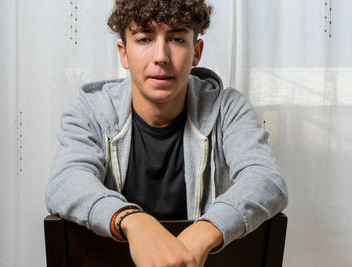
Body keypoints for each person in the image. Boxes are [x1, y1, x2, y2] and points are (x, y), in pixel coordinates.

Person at [46, 0, 288, 266]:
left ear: (196, 52)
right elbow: (65, 182)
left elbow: (266, 180)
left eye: (176, 38)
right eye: (144, 39)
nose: (161, 56)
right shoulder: (91, 108)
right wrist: (133, 221)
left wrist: (206, 230)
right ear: (123, 54)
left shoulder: (227, 108)